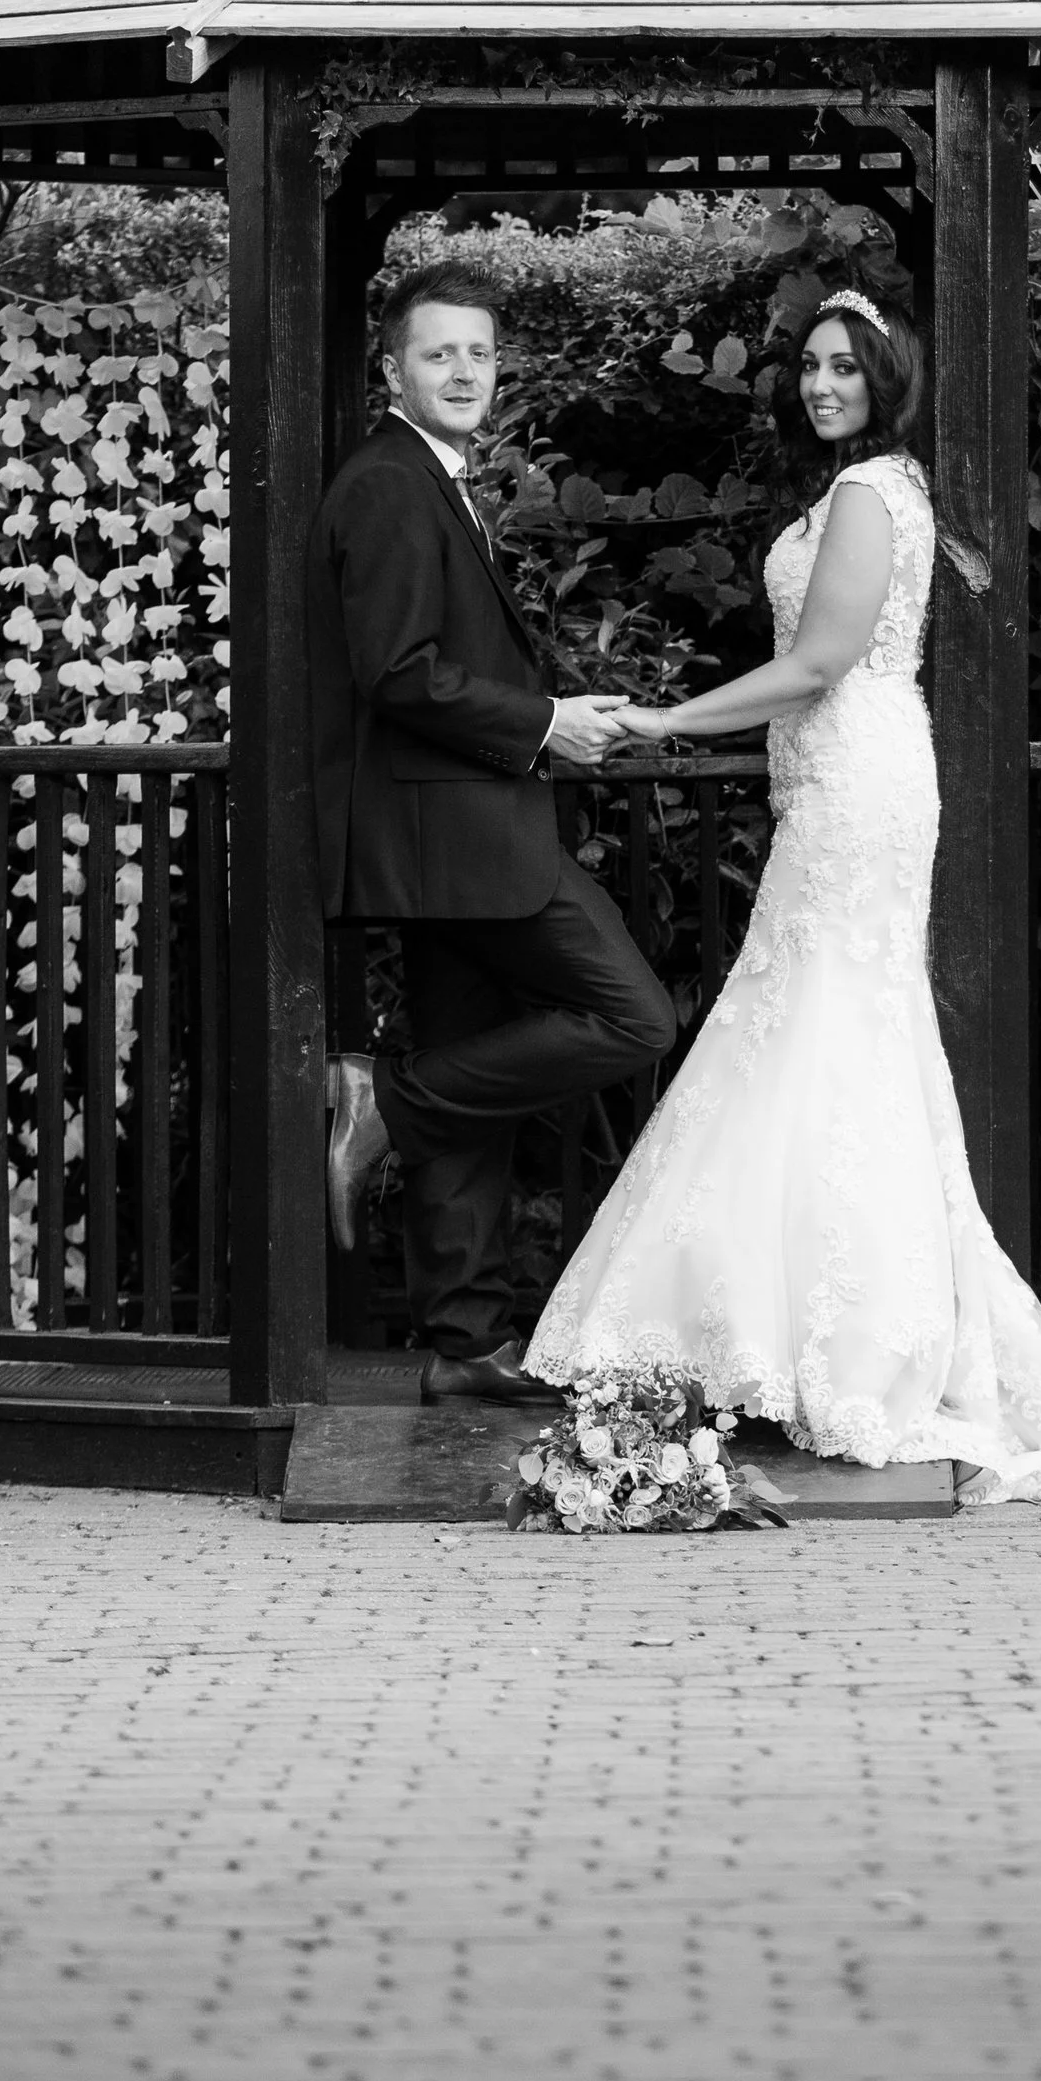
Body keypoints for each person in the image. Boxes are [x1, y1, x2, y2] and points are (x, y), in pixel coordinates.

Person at [526, 293, 1041, 1504]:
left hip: (858, 774)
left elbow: (819, 663)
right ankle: (777, 1323)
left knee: (830, 1023)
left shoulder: (875, 495)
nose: (821, 384)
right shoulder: (861, 490)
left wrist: (664, 718)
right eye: (810, 366)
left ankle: (844, 1337)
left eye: (844, 368)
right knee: (817, 1027)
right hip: (835, 771)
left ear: (886, 379)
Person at [308, 258, 675, 1404]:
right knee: (632, 1015)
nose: (463, 370)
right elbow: (401, 673)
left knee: (471, 1073)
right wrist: (547, 724)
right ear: (391, 371)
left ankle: (462, 1342)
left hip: (451, 839)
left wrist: (553, 713)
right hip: (459, 835)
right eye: (437, 353)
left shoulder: (430, 476)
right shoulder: (386, 483)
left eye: (477, 352)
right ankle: (382, 1103)